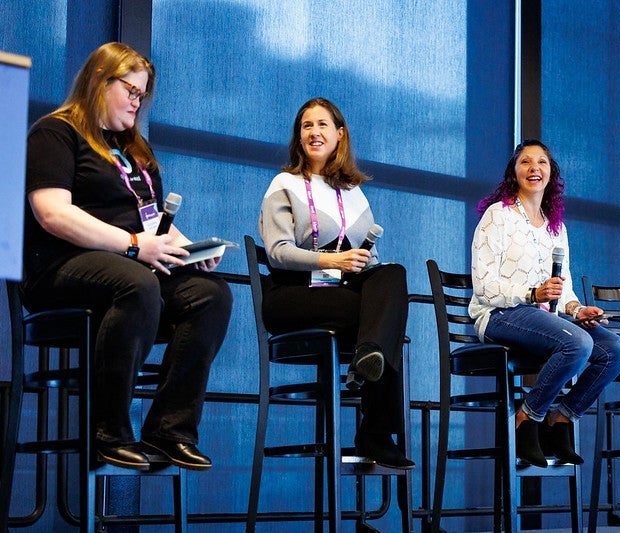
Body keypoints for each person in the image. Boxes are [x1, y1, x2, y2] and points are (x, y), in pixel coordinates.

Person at [22, 42, 233, 471]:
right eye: (131, 91)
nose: (138, 102)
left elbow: (154, 220)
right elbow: (52, 213)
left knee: (210, 294)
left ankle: (170, 431)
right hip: (60, 268)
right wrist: (136, 245)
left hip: (129, 270)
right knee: (137, 281)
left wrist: (187, 250)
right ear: (100, 81)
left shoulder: (135, 152)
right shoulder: (55, 132)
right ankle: (109, 432)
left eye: (142, 95)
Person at [258, 97, 413, 469]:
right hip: (292, 293)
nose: (314, 132)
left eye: (322, 125)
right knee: (382, 320)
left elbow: (368, 260)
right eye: (306, 126)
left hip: (340, 291)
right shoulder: (285, 183)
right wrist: (332, 260)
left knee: (393, 275)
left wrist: (363, 263)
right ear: (299, 136)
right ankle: (375, 431)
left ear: (340, 134)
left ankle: (368, 356)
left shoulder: (354, 194)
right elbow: (277, 252)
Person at [469, 138, 620, 467]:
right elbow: (484, 286)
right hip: (500, 315)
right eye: (525, 162)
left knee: (615, 351)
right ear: (513, 173)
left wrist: (576, 309)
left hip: (544, 319)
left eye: (541, 162)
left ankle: (562, 418)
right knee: (578, 343)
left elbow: (563, 286)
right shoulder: (496, 217)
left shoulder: (556, 228)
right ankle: (527, 417)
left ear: (551, 173)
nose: (534, 168)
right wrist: (532, 294)